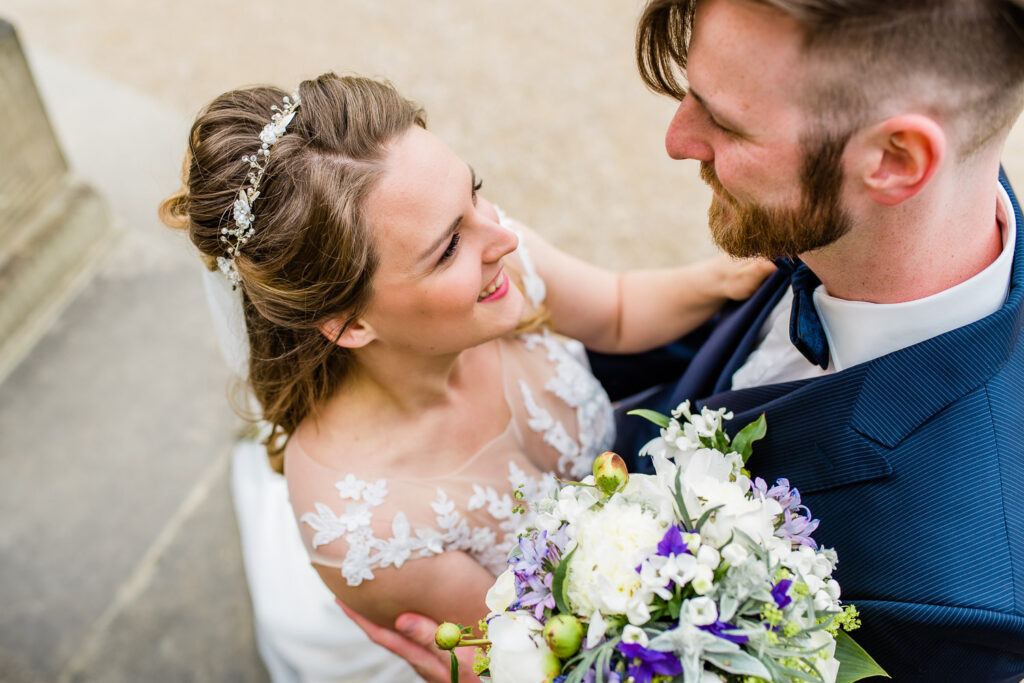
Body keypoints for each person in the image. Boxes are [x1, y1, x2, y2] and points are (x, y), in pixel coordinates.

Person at [355, 1, 1024, 681]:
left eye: (726, 122)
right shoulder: (903, 219)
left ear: (895, 159)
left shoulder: (956, 600)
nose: (677, 140)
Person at [161, 72, 772, 682]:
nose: (503, 236)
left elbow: (613, 309)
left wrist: (716, 281)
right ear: (348, 324)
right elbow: (533, 657)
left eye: (474, 193)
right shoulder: (368, 532)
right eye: (449, 247)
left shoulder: (496, 263)